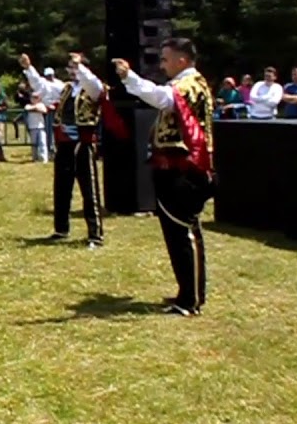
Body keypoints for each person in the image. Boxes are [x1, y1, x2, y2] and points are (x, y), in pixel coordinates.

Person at [114, 38, 214, 317]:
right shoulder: (189, 84)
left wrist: (130, 78)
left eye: (166, 59)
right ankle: (189, 291)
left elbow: (163, 99)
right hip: (174, 166)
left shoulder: (189, 85)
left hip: (183, 167)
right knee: (180, 231)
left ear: (182, 60)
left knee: (182, 231)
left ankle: (190, 299)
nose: (162, 64)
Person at [21, 52, 109, 249]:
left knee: (89, 190)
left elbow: (91, 82)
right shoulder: (67, 88)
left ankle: (95, 235)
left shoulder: (94, 87)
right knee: (61, 186)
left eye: (74, 67)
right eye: (70, 67)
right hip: (65, 142)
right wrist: (29, 68)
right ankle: (61, 228)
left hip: (83, 143)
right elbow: (43, 87)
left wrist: (81, 67)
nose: (71, 70)